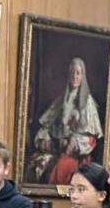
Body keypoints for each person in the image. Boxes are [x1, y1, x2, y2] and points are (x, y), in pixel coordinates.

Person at [29, 57, 103, 185]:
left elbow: (91, 139)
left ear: (82, 76)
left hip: (76, 155)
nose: (74, 76)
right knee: (37, 163)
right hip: (57, 149)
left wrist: (74, 143)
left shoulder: (88, 102)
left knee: (63, 166)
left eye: (78, 73)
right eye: (72, 73)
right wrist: (46, 141)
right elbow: (47, 125)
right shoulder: (62, 99)